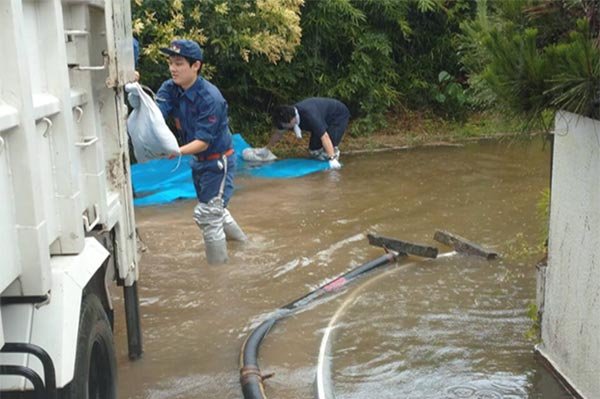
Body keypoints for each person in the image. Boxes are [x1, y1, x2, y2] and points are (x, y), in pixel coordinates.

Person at [128, 39, 246, 264]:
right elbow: (154, 115)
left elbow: (203, 141)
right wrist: (137, 92)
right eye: (171, 62)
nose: (173, 68)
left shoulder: (210, 98)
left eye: (179, 63)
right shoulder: (170, 88)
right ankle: (244, 246)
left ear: (196, 66)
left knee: (209, 216)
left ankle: (217, 279)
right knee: (215, 209)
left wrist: (177, 151)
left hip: (218, 163)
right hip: (198, 162)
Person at [268, 98, 350, 169]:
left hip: (337, 116)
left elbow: (325, 137)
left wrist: (332, 159)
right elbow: (278, 133)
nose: (286, 128)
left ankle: (334, 161)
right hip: (322, 117)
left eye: (286, 126)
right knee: (314, 151)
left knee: (330, 146)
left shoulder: (310, 115)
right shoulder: (287, 114)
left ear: (292, 119)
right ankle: (324, 160)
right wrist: (266, 149)